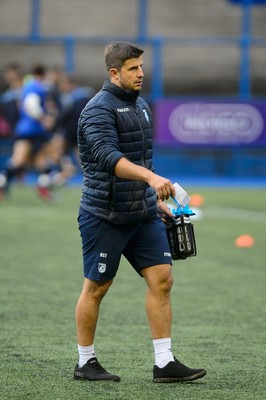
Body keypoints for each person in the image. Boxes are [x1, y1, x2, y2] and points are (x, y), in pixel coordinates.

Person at [74, 41, 207, 383]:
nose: (141, 74)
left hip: (142, 212)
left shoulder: (142, 105)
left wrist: (156, 199)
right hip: (105, 214)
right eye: (133, 69)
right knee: (98, 286)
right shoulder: (97, 110)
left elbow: (141, 159)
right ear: (114, 73)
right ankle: (85, 362)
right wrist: (151, 178)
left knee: (162, 279)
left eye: (141, 67)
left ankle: (164, 363)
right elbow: (107, 156)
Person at [0, 64, 57, 201]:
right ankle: (2, 185)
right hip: (31, 131)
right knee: (18, 161)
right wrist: (44, 118)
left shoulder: (28, 86)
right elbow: (31, 105)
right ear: (42, 75)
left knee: (42, 161)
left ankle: (43, 187)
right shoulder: (35, 86)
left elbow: (23, 104)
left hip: (30, 130)